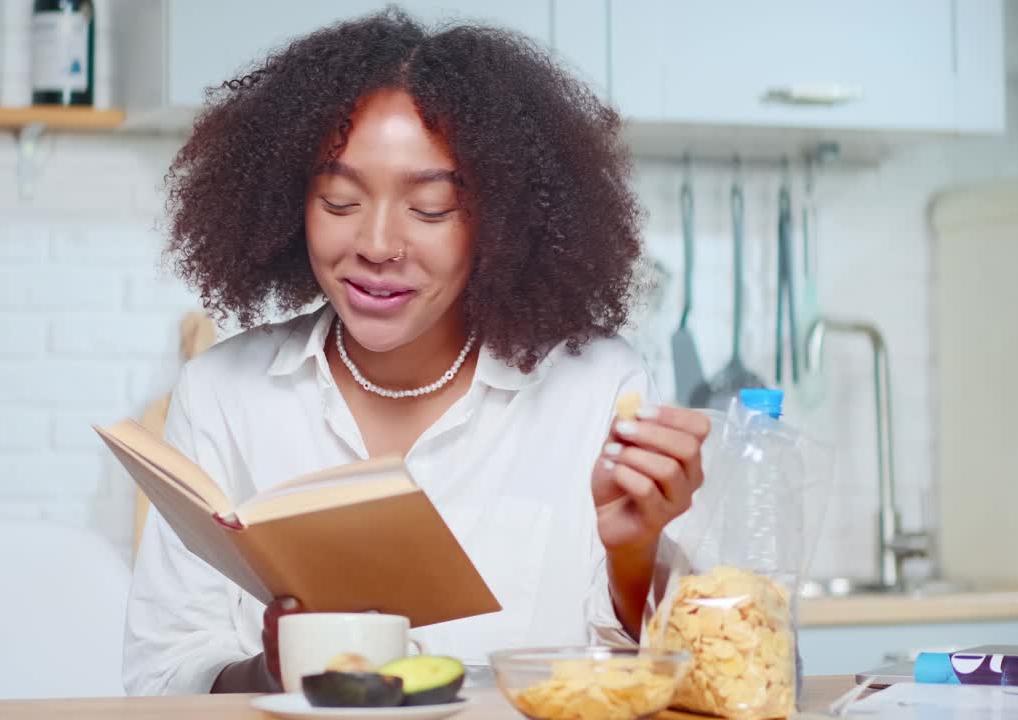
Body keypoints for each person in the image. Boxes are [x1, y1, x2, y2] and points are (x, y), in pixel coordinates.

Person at [123, 9, 711, 696]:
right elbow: (162, 677)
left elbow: (684, 679)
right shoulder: (223, 393)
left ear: (502, 219)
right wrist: (278, 670)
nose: (376, 243)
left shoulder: (597, 387)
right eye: (339, 201)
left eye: (429, 208)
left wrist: (634, 555)